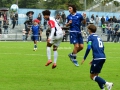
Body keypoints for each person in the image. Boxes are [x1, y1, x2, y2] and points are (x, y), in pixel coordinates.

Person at [81, 24, 113, 90]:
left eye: (88, 29)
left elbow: (88, 48)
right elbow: (102, 47)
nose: (87, 30)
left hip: (98, 58)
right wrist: (93, 59)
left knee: (92, 76)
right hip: (102, 57)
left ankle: (107, 84)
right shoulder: (98, 37)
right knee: (96, 76)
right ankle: (103, 89)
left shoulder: (90, 37)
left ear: (89, 30)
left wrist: (84, 58)